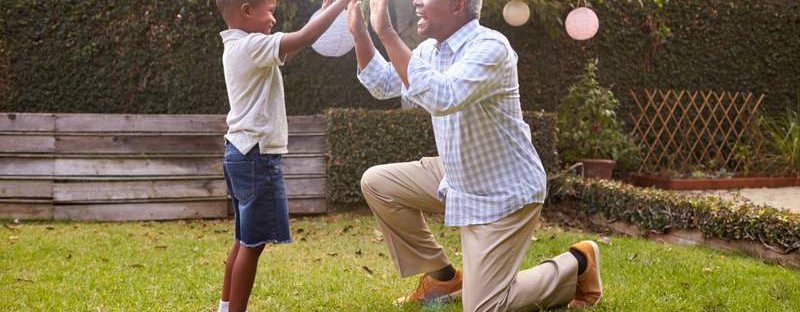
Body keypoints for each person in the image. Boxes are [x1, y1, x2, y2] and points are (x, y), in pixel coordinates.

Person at [345, 0, 603, 310]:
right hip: (458, 175)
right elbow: (383, 83)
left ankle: (577, 264)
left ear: (457, 5)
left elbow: (444, 96)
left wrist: (386, 32)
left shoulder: (491, 47)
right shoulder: (429, 51)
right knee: (378, 183)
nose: (416, 1)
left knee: (483, 306)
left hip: (503, 192)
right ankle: (443, 277)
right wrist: (361, 34)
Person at [213, 0, 348, 311]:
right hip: (256, 156)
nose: (274, 18)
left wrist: (326, 10)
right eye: (269, 10)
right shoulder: (251, 46)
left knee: (242, 238)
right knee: (253, 243)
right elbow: (303, 36)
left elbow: (288, 49)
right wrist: (339, 5)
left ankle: (224, 307)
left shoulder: (238, 46)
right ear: (247, 11)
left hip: (240, 152)